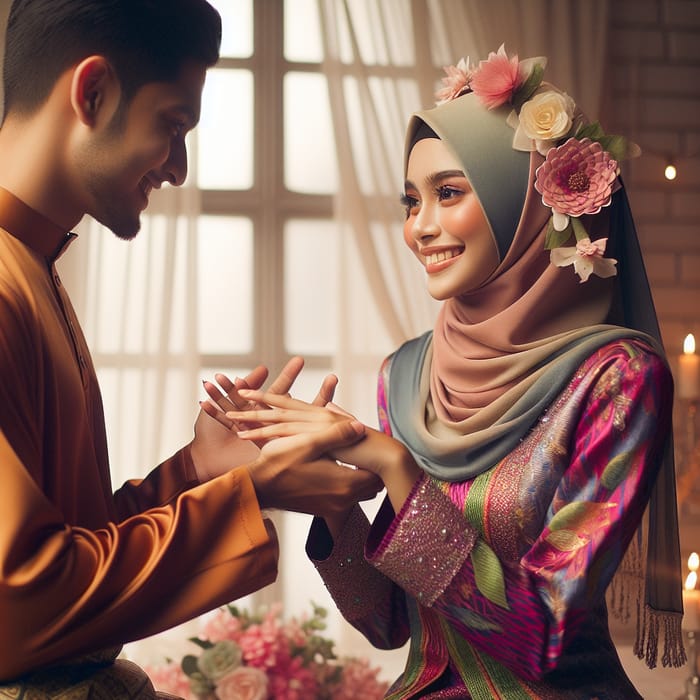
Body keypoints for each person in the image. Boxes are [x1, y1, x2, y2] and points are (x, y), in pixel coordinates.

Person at [217, 46, 686, 698]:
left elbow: (540, 637)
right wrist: (334, 507)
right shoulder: (405, 375)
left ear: (522, 201)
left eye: (448, 194)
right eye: (411, 201)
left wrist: (396, 468)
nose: (420, 228)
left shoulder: (616, 381)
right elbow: (386, 623)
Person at [0, 1, 380, 697]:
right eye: (171, 126)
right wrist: (253, 489)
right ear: (92, 92)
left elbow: (73, 548)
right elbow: (19, 604)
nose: (177, 168)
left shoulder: (31, 266)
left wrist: (201, 468)